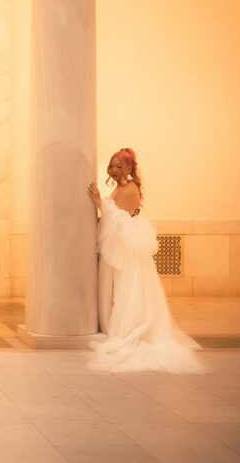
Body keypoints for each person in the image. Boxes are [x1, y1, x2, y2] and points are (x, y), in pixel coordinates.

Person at [87, 148, 205, 373]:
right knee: (116, 288)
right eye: (111, 165)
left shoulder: (130, 189)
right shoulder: (121, 187)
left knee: (126, 289)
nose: (113, 170)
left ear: (130, 168)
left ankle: (123, 327)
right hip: (119, 247)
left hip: (125, 249)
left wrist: (99, 203)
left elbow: (120, 219)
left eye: (118, 166)